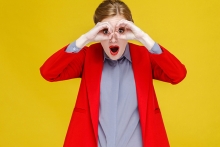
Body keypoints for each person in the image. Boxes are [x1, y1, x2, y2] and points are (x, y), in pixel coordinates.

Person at [40, 0, 187, 146]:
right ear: (97, 31)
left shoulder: (144, 57)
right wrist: (85, 39)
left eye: (121, 30)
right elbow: (49, 73)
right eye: (106, 31)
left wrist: (143, 37)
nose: (113, 38)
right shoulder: (88, 56)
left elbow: (177, 74)